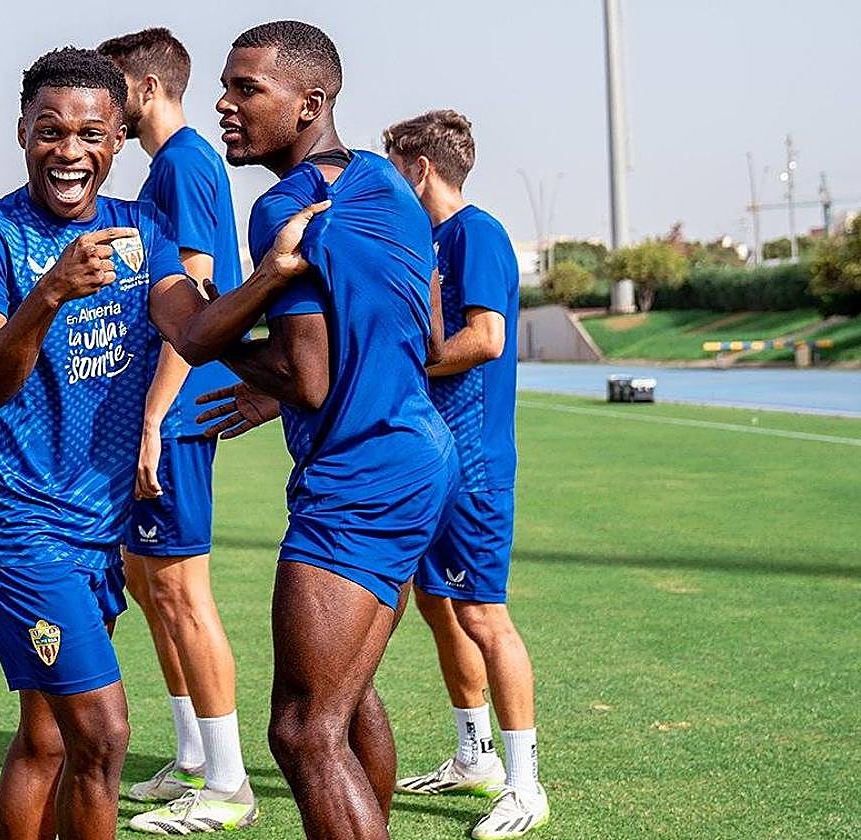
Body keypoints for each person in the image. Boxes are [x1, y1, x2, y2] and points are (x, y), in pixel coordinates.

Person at [0, 46, 322, 840]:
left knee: (49, 737)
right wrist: (49, 293)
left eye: (89, 134)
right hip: (16, 522)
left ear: (117, 139)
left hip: (95, 526)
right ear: (22, 133)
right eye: (50, 131)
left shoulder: (142, 229)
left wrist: (270, 276)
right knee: (103, 733)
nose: (69, 151)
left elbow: (193, 331)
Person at [191, 21, 456, 840]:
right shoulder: (385, 182)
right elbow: (429, 338)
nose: (224, 104)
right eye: (225, 87)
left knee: (302, 731)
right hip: (417, 451)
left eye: (246, 89)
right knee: (345, 697)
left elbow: (306, 376)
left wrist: (206, 327)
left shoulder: (285, 207)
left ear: (309, 104)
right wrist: (291, 385)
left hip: (360, 473)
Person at [96, 28, 251, 818]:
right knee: (149, 582)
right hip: (161, 407)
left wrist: (155, 415)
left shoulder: (187, 163)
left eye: (111, 89)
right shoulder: (168, 167)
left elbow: (195, 299)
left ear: (148, 88)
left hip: (179, 409)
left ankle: (228, 783)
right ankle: (193, 758)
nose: (102, 107)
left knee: (183, 591)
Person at [384, 109, 549, 838]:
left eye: (396, 170)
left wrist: (410, 364)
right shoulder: (425, 239)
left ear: (420, 169)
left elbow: (484, 339)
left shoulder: (476, 233)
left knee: (483, 614)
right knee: (437, 603)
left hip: (474, 462)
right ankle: (473, 754)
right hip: (433, 458)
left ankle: (525, 785)